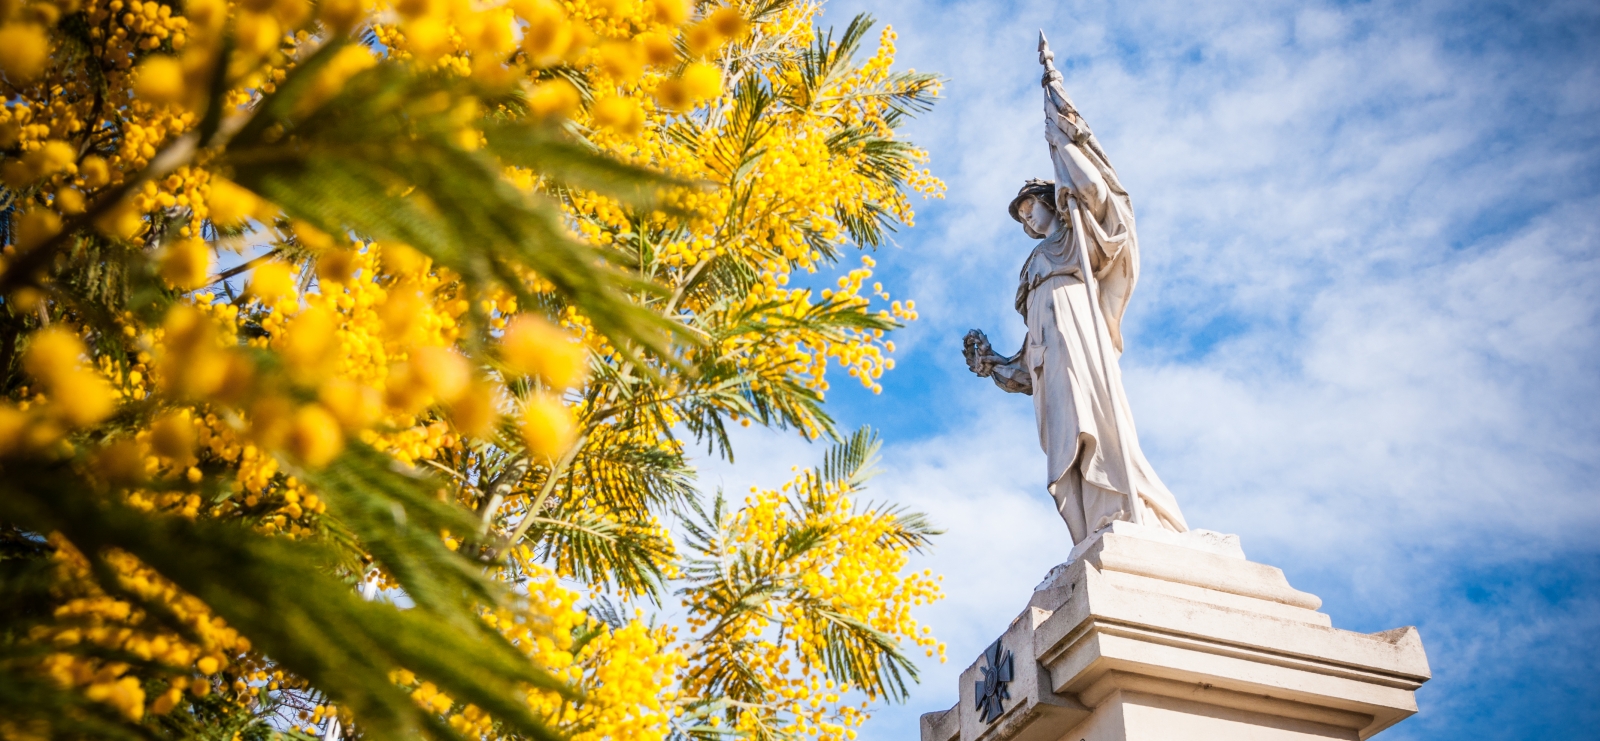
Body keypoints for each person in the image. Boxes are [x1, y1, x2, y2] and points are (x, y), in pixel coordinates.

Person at [962, 66, 1187, 544]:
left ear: (1050, 200)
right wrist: (996, 364)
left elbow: (1099, 198)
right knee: (1067, 437)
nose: (1027, 218)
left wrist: (1066, 145)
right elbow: (1028, 353)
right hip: (1049, 356)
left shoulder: (1078, 237)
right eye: (1022, 216)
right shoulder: (1036, 264)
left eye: (1031, 207)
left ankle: (1126, 505)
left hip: (1079, 339)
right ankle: (1092, 523)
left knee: (1097, 421)